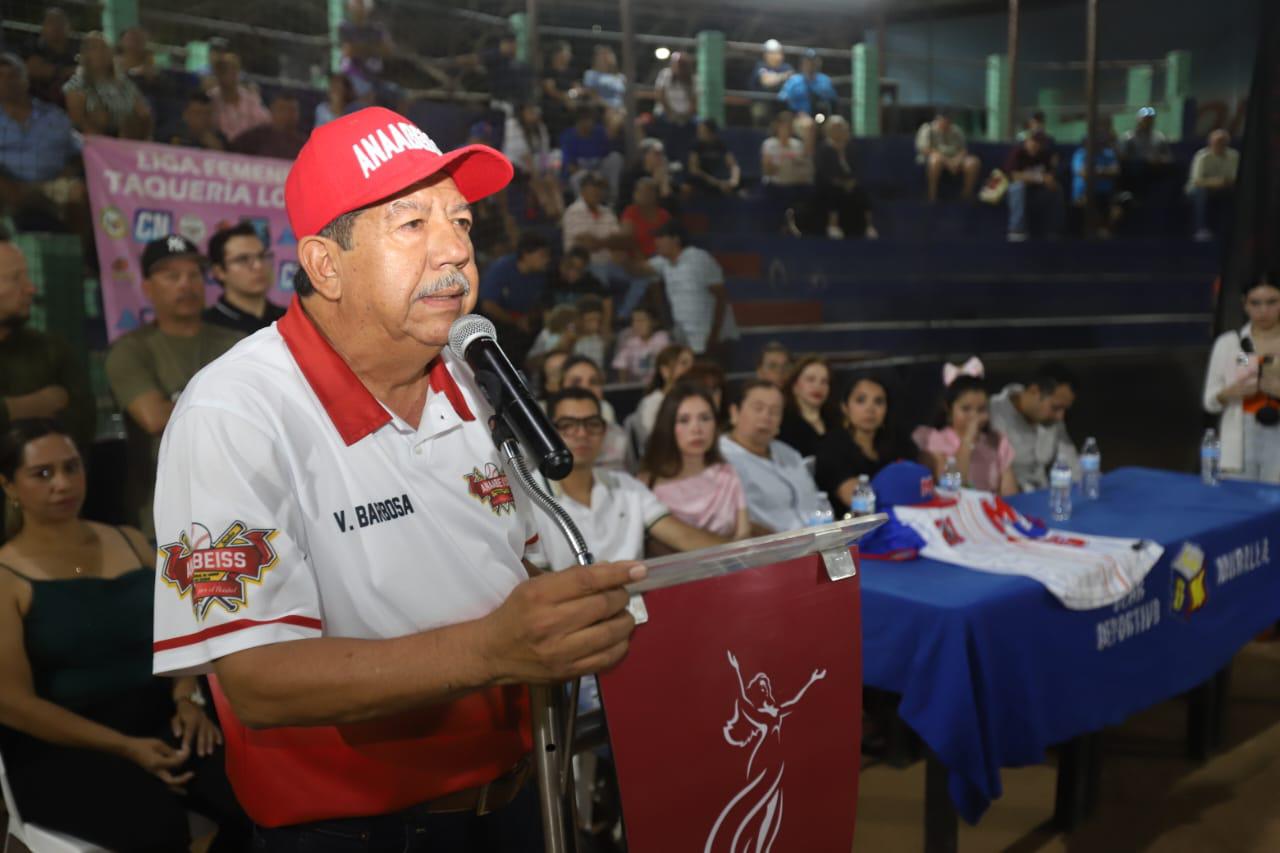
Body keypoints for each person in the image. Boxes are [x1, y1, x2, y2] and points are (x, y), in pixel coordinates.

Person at [150, 106, 645, 850]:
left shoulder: (473, 377)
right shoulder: (232, 411)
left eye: (463, 222)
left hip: (517, 799)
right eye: (412, 224)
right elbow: (255, 679)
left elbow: (524, 559)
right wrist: (492, 648)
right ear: (326, 264)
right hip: (358, 830)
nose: (455, 250)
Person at [0, 419, 252, 852]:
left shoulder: (132, 540)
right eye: (42, 474)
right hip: (68, 741)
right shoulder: (7, 575)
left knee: (252, 801)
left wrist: (187, 696)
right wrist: (126, 748)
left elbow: (179, 625)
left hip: (162, 716)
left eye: (72, 467)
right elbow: (14, 704)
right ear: (8, 486)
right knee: (154, 827)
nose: (63, 483)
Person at [105, 236, 243, 538]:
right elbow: (153, 418)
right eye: (172, 276)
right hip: (167, 516)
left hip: (240, 503)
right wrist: (233, 407)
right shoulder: (131, 350)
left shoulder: (238, 343)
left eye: (194, 275)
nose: (186, 285)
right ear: (147, 288)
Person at [529, 388, 724, 569]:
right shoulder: (529, 494)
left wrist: (740, 554)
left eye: (592, 424)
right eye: (567, 425)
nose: (582, 434)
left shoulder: (626, 485)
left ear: (605, 431)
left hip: (637, 599)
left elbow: (683, 536)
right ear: (548, 432)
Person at [0, 238, 94, 451]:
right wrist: (23, 407)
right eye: (16, 278)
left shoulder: (50, 349)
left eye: (27, 276)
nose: (30, 288)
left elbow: (83, 423)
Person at [640, 383, 751, 540]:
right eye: (684, 420)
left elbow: (744, 537)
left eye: (705, 418)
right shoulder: (646, 484)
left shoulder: (727, 473)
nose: (697, 429)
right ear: (668, 426)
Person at [1203, 275, 1280, 482]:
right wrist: (1228, 393)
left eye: (1272, 302)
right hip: (1240, 440)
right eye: (1256, 303)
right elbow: (1210, 402)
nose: (1263, 311)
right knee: (1243, 504)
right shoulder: (1230, 343)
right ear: (1244, 304)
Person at [815, 372, 925, 517]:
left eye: (878, 402)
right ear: (845, 407)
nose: (870, 409)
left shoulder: (899, 442)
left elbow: (920, 483)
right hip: (853, 530)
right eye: (861, 400)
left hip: (902, 519)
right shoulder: (831, 446)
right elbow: (857, 500)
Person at [719, 380, 821, 534]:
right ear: (735, 412)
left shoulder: (788, 453)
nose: (766, 417)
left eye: (775, 411)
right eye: (758, 408)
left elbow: (815, 501)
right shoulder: (721, 458)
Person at [0, 52, 86, 233]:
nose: (7, 82)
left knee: (80, 193)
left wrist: (68, 172)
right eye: (1, 77)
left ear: (26, 80)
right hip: (8, 186)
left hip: (54, 184)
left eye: (13, 76)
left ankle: (80, 257)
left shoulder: (54, 115)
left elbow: (78, 152)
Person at [912, 362, 1017, 496]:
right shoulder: (934, 440)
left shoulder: (997, 441)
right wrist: (967, 440)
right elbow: (951, 489)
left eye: (981, 409)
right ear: (949, 409)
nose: (974, 417)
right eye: (966, 409)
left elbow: (1010, 494)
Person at [647, 221, 738, 360]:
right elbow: (637, 270)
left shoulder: (699, 258)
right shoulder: (662, 262)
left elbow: (721, 297)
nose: (656, 242)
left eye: (661, 237)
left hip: (712, 337)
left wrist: (714, 334)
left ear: (676, 239)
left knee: (713, 375)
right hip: (687, 340)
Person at [988, 366, 1081, 492]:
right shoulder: (991, 414)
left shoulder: (1051, 420)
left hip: (1042, 495)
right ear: (1034, 391)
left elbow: (1071, 461)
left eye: (1065, 409)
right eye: (1055, 407)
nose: (1060, 417)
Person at [62, 31, 151, 139]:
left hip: (128, 139)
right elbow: (78, 123)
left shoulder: (124, 82)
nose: (101, 52)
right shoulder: (76, 85)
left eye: (105, 48)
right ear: (85, 54)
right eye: (94, 48)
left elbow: (143, 111)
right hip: (95, 143)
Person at [204, 222, 286, 335]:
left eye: (262, 256)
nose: (258, 266)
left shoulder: (288, 320)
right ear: (219, 272)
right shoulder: (204, 326)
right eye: (243, 259)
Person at [478, 231, 552, 357]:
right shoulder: (501, 269)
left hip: (522, 325)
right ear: (526, 254)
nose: (546, 260)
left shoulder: (540, 275)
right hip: (493, 325)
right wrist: (516, 321)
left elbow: (538, 303)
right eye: (542, 255)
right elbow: (488, 305)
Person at [813, 115, 876, 239]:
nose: (838, 131)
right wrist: (839, 182)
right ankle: (833, 225)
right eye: (835, 128)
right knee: (833, 191)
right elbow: (823, 171)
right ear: (828, 130)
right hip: (829, 183)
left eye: (841, 128)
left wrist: (852, 181)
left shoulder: (851, 148)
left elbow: (858, 168)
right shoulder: (823, 149)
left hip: (849, 182)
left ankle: (869, 226)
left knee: (862, 191)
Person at [560, 355, 627, 470]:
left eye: (594, 382)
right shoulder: (545, 437)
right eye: (576, 382)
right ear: (560, 387)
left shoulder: (620, 439)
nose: (585, 388)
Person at [503, 102, 563, 219]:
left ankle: (560, 211)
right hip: (515, 164)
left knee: (551, 179)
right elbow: (523, 154)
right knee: (536, 181)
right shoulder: (512, 125)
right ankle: (548, 209)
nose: (534, 115)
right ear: (522, 113)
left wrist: (548, 171)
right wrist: (536, 174)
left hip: (536, 163)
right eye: (530, 112)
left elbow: (545, 151)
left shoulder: (540, 127)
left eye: (535, 112)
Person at [632, 343, 694, 450]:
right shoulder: (652, 403)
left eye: (693, 364)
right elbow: (651, 441)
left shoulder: (696, 401)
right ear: (665, 371)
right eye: (683, 363)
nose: (690, 369)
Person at [1004, 131, 1063, 242]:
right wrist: (1039, 178)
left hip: (1037, 191)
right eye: (1033, 141)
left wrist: (1048, 179)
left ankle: (1053, 230)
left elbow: (1049, 177)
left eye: (1039, 142)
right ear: (1026, 142)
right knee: (1018, 187)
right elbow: (1014, 176)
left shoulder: (1045, 155)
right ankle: (1016, 230)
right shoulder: (1018, 153)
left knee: (1056, 188)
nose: (1036, 145)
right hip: (1015, 191)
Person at [1071, 118, 1124, 239]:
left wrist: (1096, 171)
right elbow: (1083, 172)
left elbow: (1116, 171)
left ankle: (1106, 234)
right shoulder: (1080, 154)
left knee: (1118, 210)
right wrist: (1104, 172)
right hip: (1084, 195)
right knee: (1089, 207)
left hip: (1106, 195)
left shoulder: (1107, 153)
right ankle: (1097, 236)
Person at [562, 172, 627, 268]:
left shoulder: (608, 212)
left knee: (640, 275)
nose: (598, 191)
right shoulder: (574, 211)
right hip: (582, 266)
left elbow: (619, 240)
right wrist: (609, 243)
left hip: (610, 263)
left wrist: (600, 243)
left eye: (600, 188)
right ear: (583, 190)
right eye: (594, 186)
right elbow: (588, 244)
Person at [1186, 129, 1239, 242]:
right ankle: (1201, 229)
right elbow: (1197, 181)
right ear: (1210, 142)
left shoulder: (1234, 156)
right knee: (1201, 191)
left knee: (1236, 192)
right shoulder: (1202, 156)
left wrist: (1222, 183)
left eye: (1222, 141)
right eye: (1217, 141)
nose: (1219, 144)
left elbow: (1235, 179)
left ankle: (1232, 230)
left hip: (1224, 189)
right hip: (1199, 190)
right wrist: (1217, 182)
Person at [915, 113, 980, 202]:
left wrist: (957, 160)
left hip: (955, 158)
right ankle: (932, 195)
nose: (945, 125)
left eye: (948, 122)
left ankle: (966, 195)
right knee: (935, 161)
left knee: (973, 162)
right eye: (943, 122)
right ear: (937, 120)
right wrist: (947, 161)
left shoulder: (956, 130)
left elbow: (963, 150)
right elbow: (925, 150)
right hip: (935, 158)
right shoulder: (927, 129)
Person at [208, 53, 270, 144]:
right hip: (221, 150)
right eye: (223, 70)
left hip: (249, 149)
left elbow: (266, 124)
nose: (228, 75)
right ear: (217, 74)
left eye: (233, 70)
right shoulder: (211, 99)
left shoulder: (250, 98)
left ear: (237, 72)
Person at [778, 355, 832, 459]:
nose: (818, 386)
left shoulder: (836, 421)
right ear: (795, 386)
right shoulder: (782, 423)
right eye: (810, 379)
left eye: (824, 382)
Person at [22, 8, 77, 106]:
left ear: (70, 27)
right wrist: (66, 71)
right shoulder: (32, 47)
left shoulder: (77, 51)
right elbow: (32, 68)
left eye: (61, 22)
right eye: (51, 21)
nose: (57, 26)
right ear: (43, 27)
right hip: (36, 106)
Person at [232, 92, 305, 159]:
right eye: (282, 109)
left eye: (291, 110)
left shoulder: (305, 145)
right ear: (272, 111)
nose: (286, 115)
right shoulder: (256, 137)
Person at [612, 305, 670, 384]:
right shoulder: (630, 342)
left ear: (653, 322)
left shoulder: (662, 338)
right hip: (636, 386)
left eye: (641, 320)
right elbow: (621, 365)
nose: (637, 325)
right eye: (634, 321)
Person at [620, 177, 672, 259]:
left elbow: (670, 242)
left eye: (647, 191)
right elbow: (627, 240)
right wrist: (643, 261)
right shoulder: (630, 212)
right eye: (638, 191)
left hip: (661, 260)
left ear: (655, 195)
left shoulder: (664, 215)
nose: (640, 194)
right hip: (637, 261)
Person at [544, 246, 610, 310]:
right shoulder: (552, 279)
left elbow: (607, 299)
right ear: (562, 263)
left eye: (579, 269)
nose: (573, 272)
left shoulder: (589, 281)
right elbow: (546, 309)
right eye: (569, 266)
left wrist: (606, 321)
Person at [687, 119, 741, 196]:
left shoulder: (721, 144)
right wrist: (715, 182)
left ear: (710, 132)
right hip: (703, 181)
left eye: (702, 131)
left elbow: (733, 165)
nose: (698, 133)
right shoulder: (696, 146)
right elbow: (693, 169)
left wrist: (734, 180)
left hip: (722, 179)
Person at [778, 50, 838, 118]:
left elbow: (833, 100)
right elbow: (782, 99)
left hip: (821, 115)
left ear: (818, 63)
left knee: (836, 123)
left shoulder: (825, 80)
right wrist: (795, 112)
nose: (810, 64)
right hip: (797, 116)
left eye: (813, 62)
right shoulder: (794, 80)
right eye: (807, 61)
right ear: (802, 64)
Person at [760, 110, 813, 187]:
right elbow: (767, 170)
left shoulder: (798, 144)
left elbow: (805, 166)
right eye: (783, 126)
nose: (786, 129)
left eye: (789, 126)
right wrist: (783, 162)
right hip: (775, 185)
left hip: (795, 184)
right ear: (777, 127)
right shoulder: (769, 144)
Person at [540, 41, 578, 139]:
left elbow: (577, 89)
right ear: (557, 54)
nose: (569, 55)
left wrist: (571, 96)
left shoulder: (571, 71)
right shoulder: (548, 71)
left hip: (570, 102)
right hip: (552, 104)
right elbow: (551, 91)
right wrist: (565, 98)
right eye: (566, 52)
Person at [570, 296, 610, 367]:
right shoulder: (570, 333)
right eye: (590, 320)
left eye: (597, 320)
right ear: (579, 319)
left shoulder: (600, 339)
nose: (595, 324)